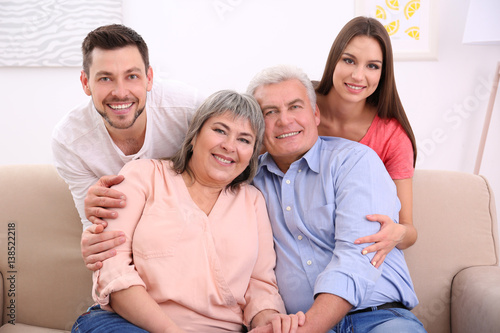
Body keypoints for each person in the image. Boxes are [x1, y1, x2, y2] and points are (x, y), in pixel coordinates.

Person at [71, 90, 305, 333]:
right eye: (220, 130)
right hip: (130, 324)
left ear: (252, 155)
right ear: (194, 136)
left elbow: (260, 285)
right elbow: (114, 271)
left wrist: (269, 321)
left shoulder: (253, 201)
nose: (229, 146)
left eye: (244, 140)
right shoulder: (142, 175)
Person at [246, 64, 425, 333]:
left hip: (379, 319)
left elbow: (358, 255)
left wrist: (306, 330)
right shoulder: (250, 182)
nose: (284, 120)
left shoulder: (355, 162)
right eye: (270, 112)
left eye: (295, 107)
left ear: (315, 113)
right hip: (297, 322)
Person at [51, 23, 203, 233]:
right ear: (85, 82)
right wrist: (94, 239)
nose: (120, 93)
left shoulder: (189, 110)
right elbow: (98, 224)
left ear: (149, 78)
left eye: (132, 76)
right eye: (105, 78)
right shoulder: (69, 141)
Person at [315, 16, 418, 267]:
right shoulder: (300, 106)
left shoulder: (392, 135)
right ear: (334, 60)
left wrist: (397, 233)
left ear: (383, 73)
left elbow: (408, 229)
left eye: (372, 66)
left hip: (355, 258)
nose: (358, 75)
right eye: (349, 60)